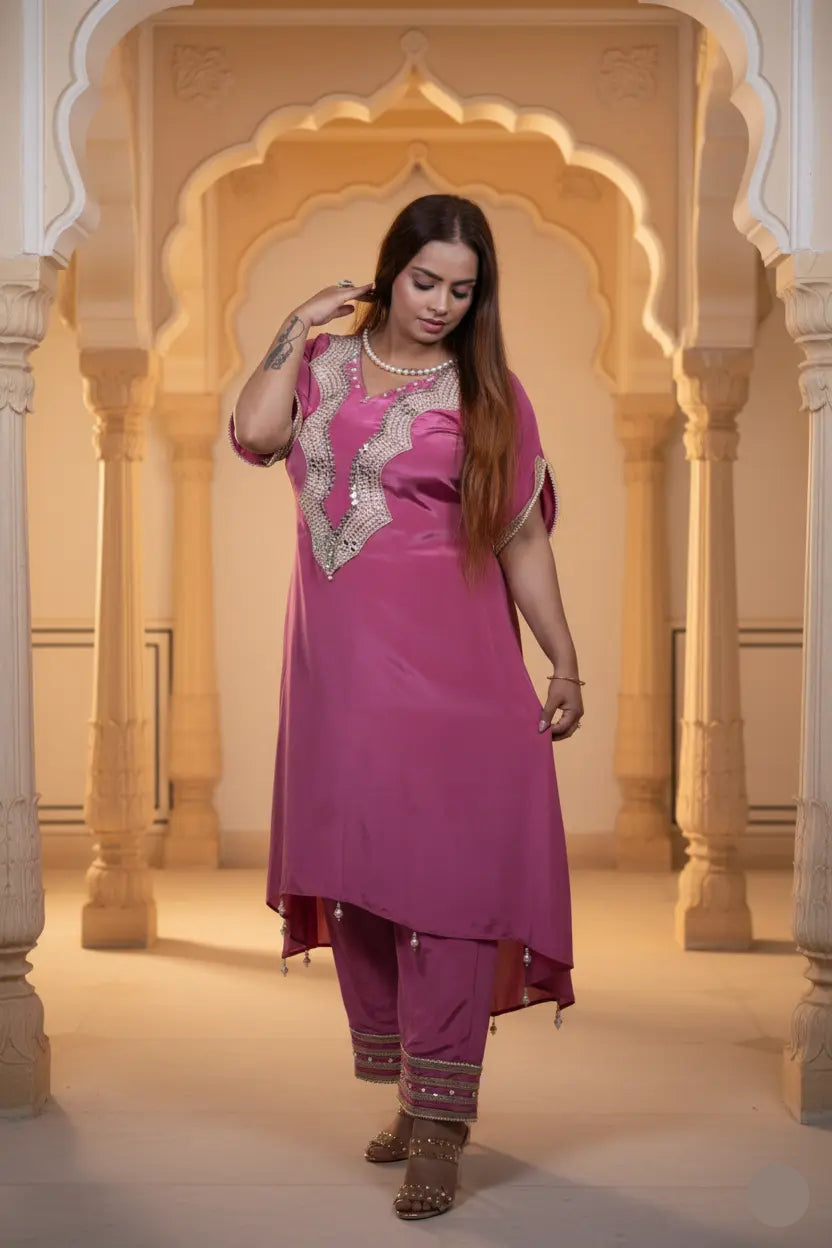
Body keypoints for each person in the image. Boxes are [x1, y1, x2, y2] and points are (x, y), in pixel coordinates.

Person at [230, 194, 582, 1221]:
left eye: (462, 290)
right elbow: (254, 438)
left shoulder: (488, 393)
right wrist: (293, 330)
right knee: (363, 887)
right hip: (338, 680)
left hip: (455, 678)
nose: (440, 304)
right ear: (389, 273)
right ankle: (413, 1090)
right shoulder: (323, 366)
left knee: (450, 897)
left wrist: (564, 659)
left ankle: (440, 1125)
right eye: (425, 281)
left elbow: (519, 537)